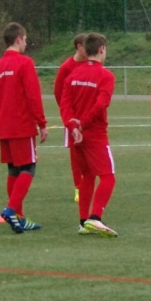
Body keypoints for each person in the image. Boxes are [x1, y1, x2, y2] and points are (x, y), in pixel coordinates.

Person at [0, 22, 49, 233]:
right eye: (25, 39)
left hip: (4, 125)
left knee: (13, 170)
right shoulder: (25, 63)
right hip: (21, 124)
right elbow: (33, 95)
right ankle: (11, 210)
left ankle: (19, 218)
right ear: (18, 39)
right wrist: (42, 123)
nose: (26, 43)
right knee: (28, 168)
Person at [60, 33, 119, 237]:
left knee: (87, 176)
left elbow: (65, 105)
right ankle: (95, 217)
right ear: (102, 49)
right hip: (94, 133)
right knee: (108, 177)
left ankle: (83, 222)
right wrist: (83, 124)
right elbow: (101, 104)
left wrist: (72, 126)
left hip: (75, 135)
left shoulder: (73, 75)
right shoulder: (106, 76)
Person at [53, 33, 88, 203]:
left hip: (89, 118)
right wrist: (68, 114)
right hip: (73, 119)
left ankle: (88, 185)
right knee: (76, 155)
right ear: (79, 47)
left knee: (91, 153)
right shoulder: (66, 67)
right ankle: (78, 188)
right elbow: (58, 93)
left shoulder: (91, 65)